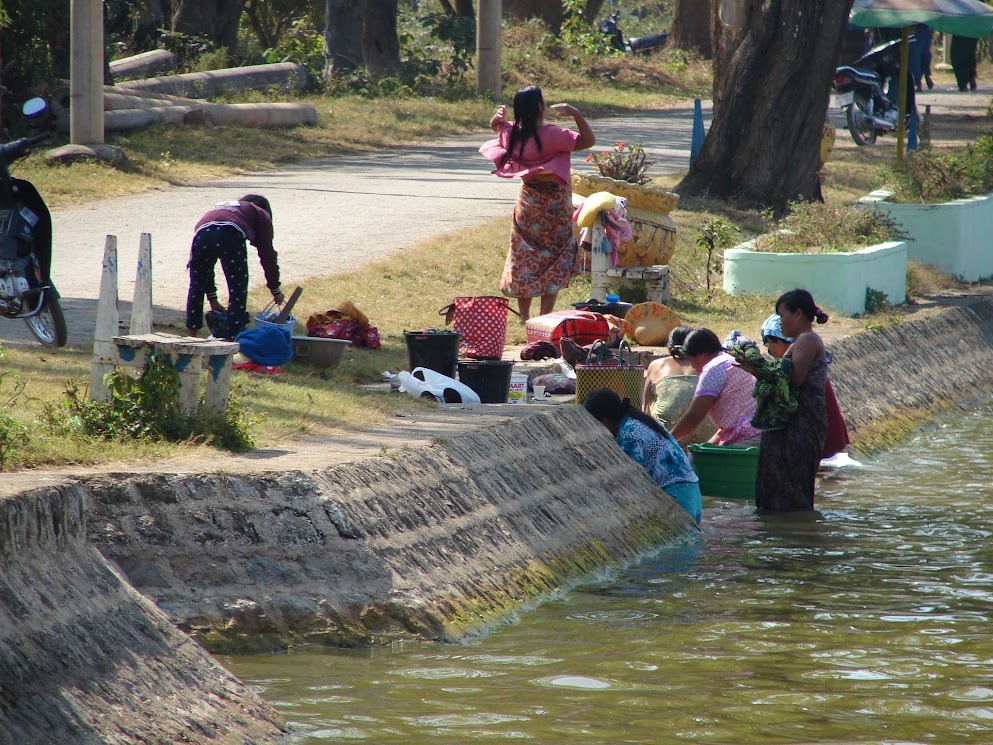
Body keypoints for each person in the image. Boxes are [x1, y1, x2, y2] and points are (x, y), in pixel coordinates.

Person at [479, 85, 595, 321]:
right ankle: (545, 315)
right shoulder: (554, 135)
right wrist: (576, 114)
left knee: (525, 254)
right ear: (541, 107)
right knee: (554, 254)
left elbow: (497, 127)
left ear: (517, 110)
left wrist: (496, 119)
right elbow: (588, 141)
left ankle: (524, 316)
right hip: (556, 203)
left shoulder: (510, 134)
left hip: (529, 202)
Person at [754, 291, 830, 512]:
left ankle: (792, 537)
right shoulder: (800, 341)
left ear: (797, 314)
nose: (779, 322)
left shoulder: (807, 339)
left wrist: (758, 368)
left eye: (781, 315)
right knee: (780, 486)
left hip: (801, 425)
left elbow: (793, 380)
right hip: (794, 424)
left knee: (790, 489)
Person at [584, 387, 702, 524]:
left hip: (675, 496)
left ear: (604, 421)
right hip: (691, 493)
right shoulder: (639, 420)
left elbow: (629, 482)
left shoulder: (629, 433)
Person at [185, 194, 285, 339]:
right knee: (237, 286)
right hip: (229, 233)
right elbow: (267, 254)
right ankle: (232, 336)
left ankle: (191, 335)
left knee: (197, 283)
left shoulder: (233, 207)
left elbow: (205, 270)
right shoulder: (261, 213)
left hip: (202, 232)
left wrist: (213, 299)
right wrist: (275, 289)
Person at [760, 313, 850, 460]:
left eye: (771, 342)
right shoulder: (799, 361)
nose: (769, 348)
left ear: (787, 341)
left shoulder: (800, 366)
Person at [670, 328, 762, 448]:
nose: (692, 366)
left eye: (691, 360)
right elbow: (728, 428)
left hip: (751, 437)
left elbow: (694, 416)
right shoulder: (728, 360)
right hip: (759, 431)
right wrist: (704, 449)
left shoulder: (713, 368)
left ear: (700, 355)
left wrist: (666, 439)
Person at [642, 325, 717, 445]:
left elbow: (645, 405)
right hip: (709, 440)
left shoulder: (657, 365)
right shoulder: (707, 365)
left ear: (669, 345)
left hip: (668, 437)